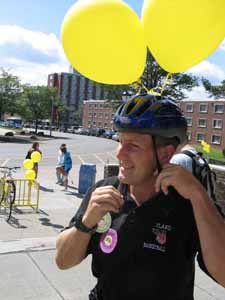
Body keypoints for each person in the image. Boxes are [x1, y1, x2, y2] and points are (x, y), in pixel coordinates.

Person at [55, 94, 225, 299]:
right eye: (120, 141)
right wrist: (85, 223)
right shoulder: (102, 192)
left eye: (133, 146)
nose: (119, 153)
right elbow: (62, 261)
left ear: (165, 154)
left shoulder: (189, 202)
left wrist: (199, 195)